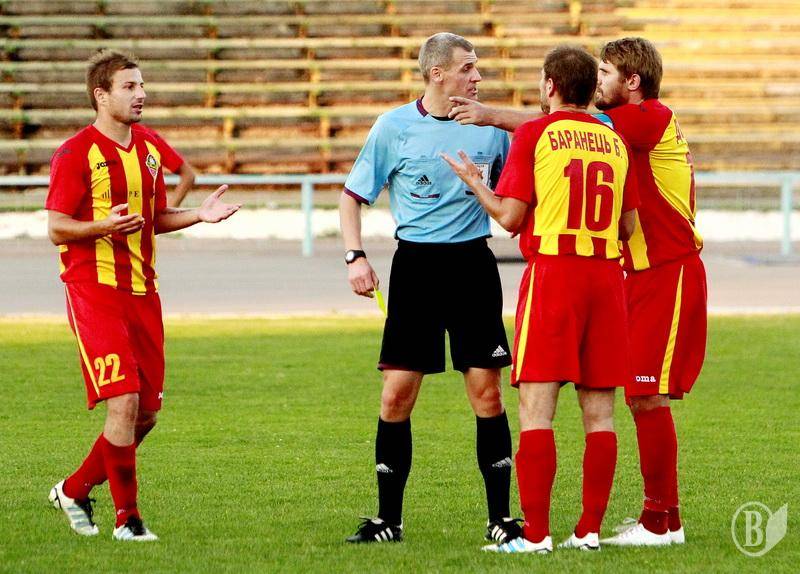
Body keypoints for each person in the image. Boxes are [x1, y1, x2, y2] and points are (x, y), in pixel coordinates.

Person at [448, 37, 707, 547]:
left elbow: (554, 131)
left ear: (632, 82)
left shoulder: (644, 118)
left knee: (626, 396)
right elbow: (627, 221)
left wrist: (488, 120)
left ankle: (652, 521)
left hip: (659, 270)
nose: (600, 82)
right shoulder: (617, 138)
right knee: (619, 402)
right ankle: (640, 521)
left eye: (608, 72)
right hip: (619, 272)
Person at [45, 49, 240, 542]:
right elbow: (56, 228)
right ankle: (127, 520)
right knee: (124, 401)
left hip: (143, 293)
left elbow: (155, 219)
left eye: (142, 85)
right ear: (101, 95)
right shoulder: (75, 154)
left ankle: (74, 490)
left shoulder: (149, 148)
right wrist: (101, 227)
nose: (141, 94)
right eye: (129, 87)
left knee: (146, 413)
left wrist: (198, 216)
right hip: (94, 291)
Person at [339, 32, 518, 546]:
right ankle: (388, 522)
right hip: (415, 269)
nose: (477, 76)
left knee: (487, 392)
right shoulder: (393, 127)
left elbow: (513, 203)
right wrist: (355, 256)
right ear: (437, 74)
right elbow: (352, 197)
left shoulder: (493, 131)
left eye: (477, 67)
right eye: (467, 68)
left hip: (472, 267)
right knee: (396, 394)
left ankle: (501, 520)